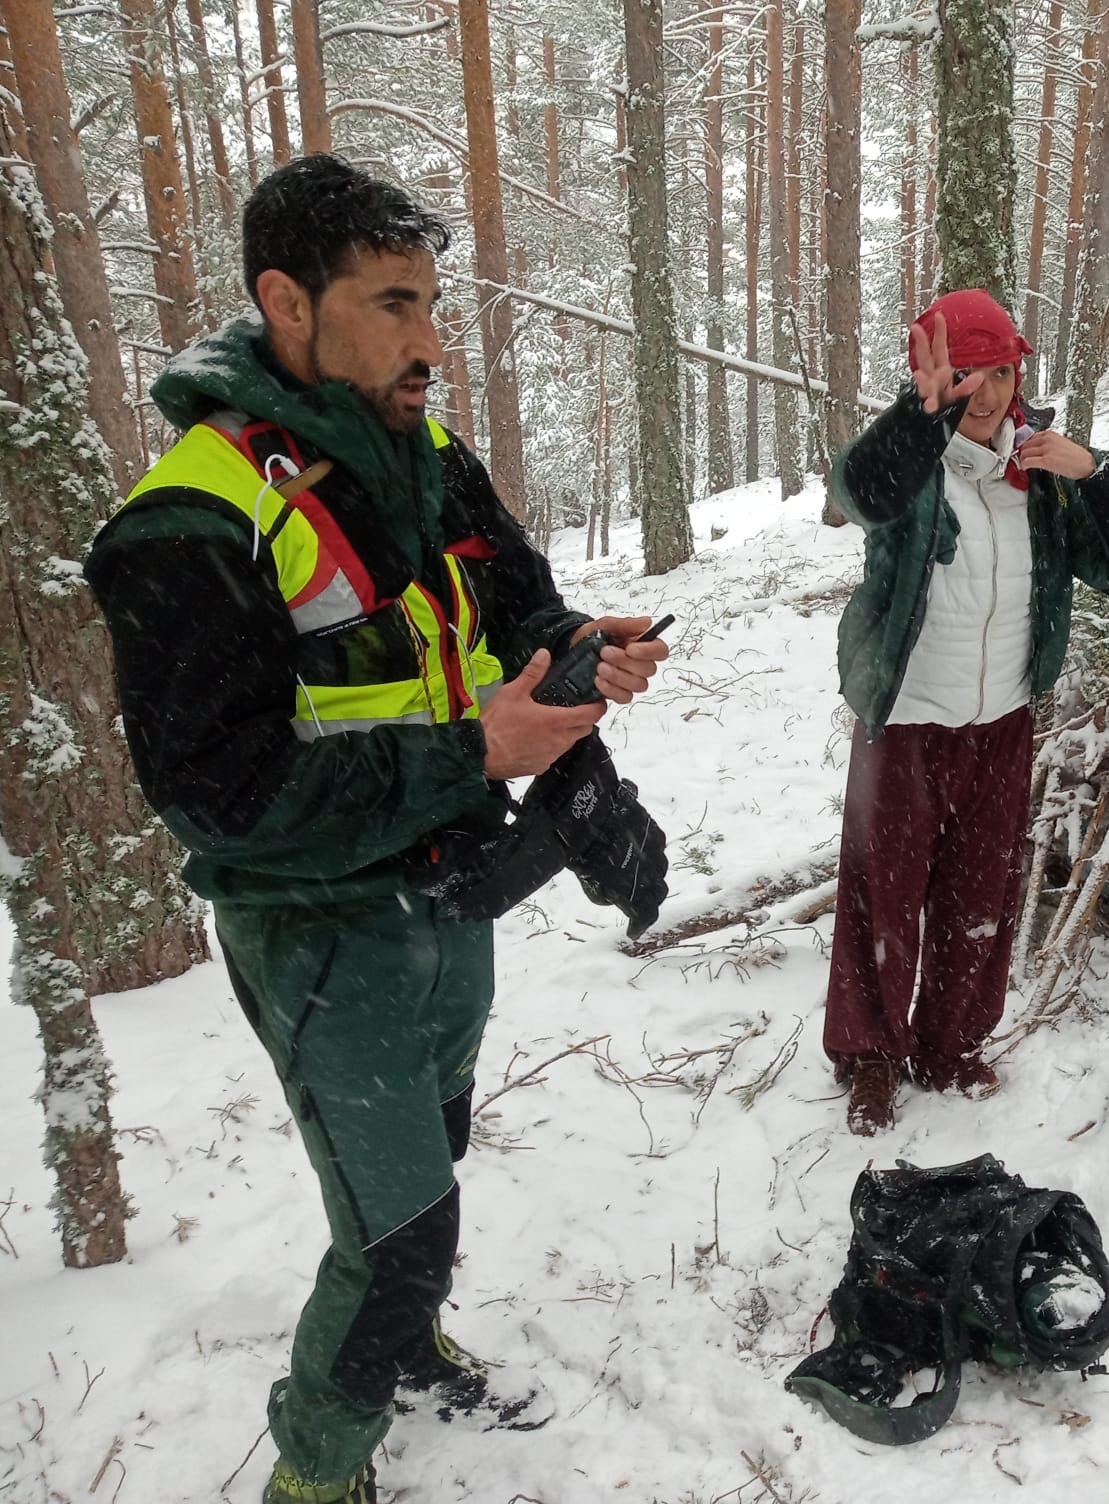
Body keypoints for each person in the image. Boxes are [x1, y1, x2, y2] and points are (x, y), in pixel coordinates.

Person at [83, 155, 669, 1504]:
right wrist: (481, 748)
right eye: (395, 302)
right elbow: (222, 796)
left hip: (453, 892)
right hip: (318, 932)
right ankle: (317, 1467)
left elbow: (519, 607)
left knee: (431, 1157)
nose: (431, 340)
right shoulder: (189, 518)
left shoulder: (425, 456)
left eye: (434, 302)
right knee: (399, 1230)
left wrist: (579, 650)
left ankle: (393, 1348)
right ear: (287, 303)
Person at [823, 288, 1109, 1135]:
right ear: (938, 382)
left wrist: (1097, 473)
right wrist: (920, 416)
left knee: (979, 890)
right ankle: (871, 1056)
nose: (985, 393)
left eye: (1001, 372)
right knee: (883, 892)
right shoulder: (913, 466)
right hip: (907, 716)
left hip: (1004, 718)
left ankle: (949, 1046)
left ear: (1021, 374)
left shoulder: (1043, 476)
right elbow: (859, 490)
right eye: (968, 375)